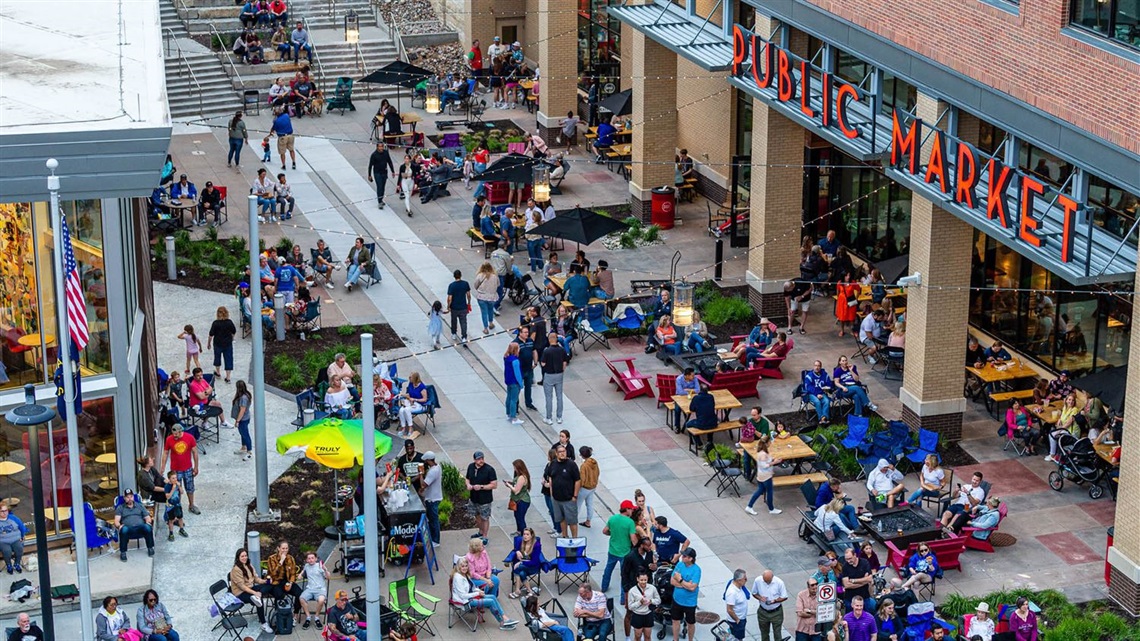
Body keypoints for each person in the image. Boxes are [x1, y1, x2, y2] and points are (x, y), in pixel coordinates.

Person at [452, 557, 519, 629]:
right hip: (464, 602)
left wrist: (479, 591)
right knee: (490, 602)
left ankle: (505, 618)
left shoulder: (465, 575)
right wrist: (477, 594)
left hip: (470, 597)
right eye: (462, 566)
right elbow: (462, 596)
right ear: (458, 567)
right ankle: (502, 622)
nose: (465, 568)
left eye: (466, 566)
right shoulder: (458, 578)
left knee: (492, 597)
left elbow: (473, 588)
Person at [231, 548, 274, 633]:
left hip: (250, 588)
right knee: (259, 601)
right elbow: (242, 587)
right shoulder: (236, 569)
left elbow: (256, 578)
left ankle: (258, 596)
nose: (244, 558)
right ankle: (263, 624)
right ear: (238, 558)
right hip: (240, 593)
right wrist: (255, 593)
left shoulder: (248, 564)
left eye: (245, 555)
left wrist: (264, 581)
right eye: (242, 556)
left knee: (270, 585)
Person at [621, 537, 656, 638]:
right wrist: (626, 591)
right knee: (629, 612)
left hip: (647, 587)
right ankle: (627, 637)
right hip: (633, 588)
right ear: (641, 545)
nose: (650, 547)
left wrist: (654, 568)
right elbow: (624, 574)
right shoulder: (630, 556)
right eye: (648, 545)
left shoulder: (649, 554)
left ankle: (645, 634)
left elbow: (650, 569)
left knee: (647, 610)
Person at [601, 499, 638, 593]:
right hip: (624, 552)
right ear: (627, 509)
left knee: (608, 570)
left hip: (612, 550)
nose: (632, 511)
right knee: (624, 575)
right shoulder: (630, 522)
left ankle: (604, 588)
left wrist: (613, 534)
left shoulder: (612, 518)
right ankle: (623, 598)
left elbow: (605, 531)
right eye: (631, 509)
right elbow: (633, 539)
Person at [546, 444, 581, 537]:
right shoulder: (553, 464)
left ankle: (574, 539)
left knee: (572, 521)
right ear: (556, 454)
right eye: (560, 452)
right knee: (561, 519)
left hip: (569, 499)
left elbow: (578, 480)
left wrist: (575, 496)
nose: (562, 454)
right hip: (557, 499)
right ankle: (564, 537)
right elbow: (550, 477)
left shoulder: (571, 464)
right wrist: (552, 493)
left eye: (564, 451)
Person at [745, 436, 783, 516]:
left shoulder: (762, 452)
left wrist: (773, 460)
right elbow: (764, 465)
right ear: (766, 443)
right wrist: (774, 462)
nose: (770, 443)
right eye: (769, 442)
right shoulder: (763, 454)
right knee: (769, 492)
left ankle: (749, 506)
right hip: (766, 477)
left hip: (761, 476)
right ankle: (771, 509)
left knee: (760, 491)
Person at [113, 489, 154, 561]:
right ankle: (123, 553)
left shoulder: (140, 506)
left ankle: (150, 548)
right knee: (124, 529)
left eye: (131, 496)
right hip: (128, 529)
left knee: (148, 527)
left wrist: (148, 521)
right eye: (127, 497)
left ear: (133, 497)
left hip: (140, 527)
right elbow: (116, 521)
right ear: (124, 498)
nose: (130, 499)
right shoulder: (120, 508)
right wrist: (119, 526)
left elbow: (147, 518)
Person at [267, 540, 304, 617]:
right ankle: (279, 614)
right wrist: (281, 561)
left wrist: (290, 583)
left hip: (287, 582)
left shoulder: (290, 558)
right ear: (278, 548)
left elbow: (293, 573)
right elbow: (273, 573)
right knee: (279, 595)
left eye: (286, 548)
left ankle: (295, 613)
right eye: (283, 548)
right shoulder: (271, 558)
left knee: (300, 594)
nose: (285, 550)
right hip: (276, 582)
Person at [670, 548, 700, 641]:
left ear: (691, 559)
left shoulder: (696, 570)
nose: (682, 557)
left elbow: (692, 588)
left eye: (685, 556)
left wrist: (680, 579)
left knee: (690, 623)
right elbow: (672, 581)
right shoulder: (679, 564)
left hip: (690, 603)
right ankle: (675, 639)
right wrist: (686, 584)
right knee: (675, 621)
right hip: (677, 599)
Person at [465, 451, 497, 539]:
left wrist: (481, 487)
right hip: (474, 498)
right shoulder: (471, 467)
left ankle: (485, 536)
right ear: (474, 460)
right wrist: (468, 485)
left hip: (485, 500)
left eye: (482, 458)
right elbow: (467, 479)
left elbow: (494, 485)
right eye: (478, 459)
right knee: (477, 515)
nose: (481, 460)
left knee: (485, 518)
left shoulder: (489, 470)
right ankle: (480, 532)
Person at [541, 331, 569, 425]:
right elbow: (565, 362)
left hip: (549, 375)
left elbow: (543, 363)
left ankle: (549, 418)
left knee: (549, 397)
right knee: (559, 396)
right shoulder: (562, 350)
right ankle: (559, 417)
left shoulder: (547, 351)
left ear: (549, 340)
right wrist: (562, 370)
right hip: (559, 374)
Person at [297, 551, 330, 630]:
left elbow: (328, 577)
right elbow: (302, 572)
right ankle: (308, 617)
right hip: (310, 589)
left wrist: (325, 570)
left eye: (312, 558)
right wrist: (300, 575)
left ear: (316, 559)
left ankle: (316, 617)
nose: (311, 560)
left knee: (321, 600)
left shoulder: (320, 566)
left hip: (320, 589)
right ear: (306, 560)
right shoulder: (306, 566)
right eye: (309, 558)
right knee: (301, 598)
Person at [506, 527, 543, 598]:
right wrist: (517, 551)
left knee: (517, 568)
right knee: (521, 573)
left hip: (532, 566)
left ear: (531, 535)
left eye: (527, 534)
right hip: (522, 566)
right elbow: (515, 549)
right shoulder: (521, 542)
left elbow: (534, 562)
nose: (525, 536)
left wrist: (521, 563)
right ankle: (530, 591)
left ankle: (517, 590)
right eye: (524, 534)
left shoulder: (536, 545)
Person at [752, 570, 788, 641]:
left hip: (776, 612)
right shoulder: (758, 581)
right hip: (763, 612)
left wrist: (775, 601)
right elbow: (754, 593)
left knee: (777, 634)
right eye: (765, 581)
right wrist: (760, 598)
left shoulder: (779, 583)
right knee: (764, 633)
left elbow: (784, 597)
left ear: (772, 577)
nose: (767, 583)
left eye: (768, 581)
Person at [627, 570, 661, 641]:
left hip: (648, 614)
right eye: (641, 580)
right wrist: (640, 602)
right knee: (637, 636)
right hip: (637, 615)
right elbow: (630, 607)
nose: (643, 582)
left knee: (648, 636)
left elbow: (658, 600)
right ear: (637, 579)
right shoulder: (632, 591)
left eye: (645, 580)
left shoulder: (652, 588)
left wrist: (651, 601)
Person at [418, 451, 442, 547]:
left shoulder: (433, 472)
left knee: (433, 520)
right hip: (434, 497)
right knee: (432, 519)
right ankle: (433, 537)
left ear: (428, 460)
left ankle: (435, 540)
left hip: (432, 499)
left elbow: (423, 484)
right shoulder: (438, 467)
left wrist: (420, 474)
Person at [684, 384, 717, 451]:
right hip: (714, 422)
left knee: (688, 424)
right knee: (709, 419)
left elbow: (691, 409)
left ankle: (699, 443)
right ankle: (709, 441)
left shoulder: (696, 398)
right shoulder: (711, 396)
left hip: (702, 423)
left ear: (700, 390)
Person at [396, 372, 428, 437]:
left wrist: (415, 399)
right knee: (401, 410)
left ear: (415, 378)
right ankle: (403, 428)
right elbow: (409, 394)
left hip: (420, 404)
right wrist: (402, 394)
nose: (409, 378)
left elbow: (425, 399)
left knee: (407, 410)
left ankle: (410, 428)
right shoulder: (411, 384)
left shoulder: (422, 387)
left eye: (411, 377)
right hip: (411, 403)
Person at [722, 569, 749, 641]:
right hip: (736, 621)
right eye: (745, 579)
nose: (746, 580)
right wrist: (737, 619)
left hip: (741, 618)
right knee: (737, 638)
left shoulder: (739, 587)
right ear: (739, 580)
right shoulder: (732, 593)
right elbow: (729, 609)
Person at [803, 360, 834, 424]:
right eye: (815, 366)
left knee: (826, 401)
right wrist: (817, 394)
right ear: (813, 366)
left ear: (821, 367)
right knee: (817, 401)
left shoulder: (824, 374)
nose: (817, 367)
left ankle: (825, 417)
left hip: (822, 393)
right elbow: (808, 387)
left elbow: (829, 383)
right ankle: (821, 419)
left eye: (818, 366)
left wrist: (827, 388)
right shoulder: (809, 376)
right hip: (811, 394)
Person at [0, 503, 28, 574]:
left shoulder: (13, 518)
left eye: (6, 510)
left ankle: (17, 564)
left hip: (15, 539)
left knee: (19, 548)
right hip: (3, 541)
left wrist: (22, 536)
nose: (5, 513)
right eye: (2, 511)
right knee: (7, 551)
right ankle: (9, 565)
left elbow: (21, 527)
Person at [447, 269, 471, 346]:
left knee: (454, 321)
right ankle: (464, 337)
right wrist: (469, 303)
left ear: (454, 276)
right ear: (461, 275)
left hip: (454, 307)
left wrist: (448, 306)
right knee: (463, 322)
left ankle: (454, 333)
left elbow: (450, 298)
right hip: (463, 306)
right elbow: (468, 295)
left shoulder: (452, 285)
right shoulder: (465, 284)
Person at [367, 143, 395, 208]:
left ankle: (381, 199)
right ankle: (379, 201)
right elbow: (370, 165)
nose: (381, 148)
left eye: (382, 146)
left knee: (383, 187)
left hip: (384, 172)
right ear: (377, 147)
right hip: (377, 173)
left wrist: (392, 171)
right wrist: (369, 175)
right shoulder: (374, 155)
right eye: (380, 147)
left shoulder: (386, 153)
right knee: (379, 186)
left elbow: (389, 162)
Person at [161, 471, 187, 541]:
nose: (175, 479)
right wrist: (172, 489)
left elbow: (182, 492)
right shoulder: (167, 486)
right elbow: (168, 497)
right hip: (170, 506)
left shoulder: (177, 484)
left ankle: (181, 529)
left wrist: (179, 486)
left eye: (176, 478)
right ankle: (171, 533)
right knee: (171, 520)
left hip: (177, 504)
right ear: (169, 479)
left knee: (180, 517)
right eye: (173, 478)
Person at [270, 106, 296, 171]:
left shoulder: (276, 121)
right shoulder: (287, 116)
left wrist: (271, 132)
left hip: (282, 137)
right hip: (290, 135)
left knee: (282, 152)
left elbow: (273, 129)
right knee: (291, 149)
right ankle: (293, 162)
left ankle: (284, 165)